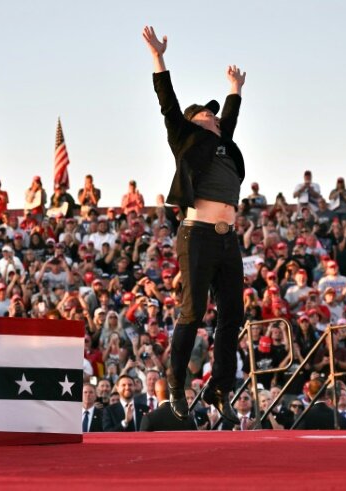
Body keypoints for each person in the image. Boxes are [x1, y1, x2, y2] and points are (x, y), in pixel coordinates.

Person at [143, 26, 245, 425]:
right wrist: (158, 57)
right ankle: (177, 383)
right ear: (195, 120)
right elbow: (167, 102)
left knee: (232, 314)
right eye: (209, 113)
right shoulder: (186, 138)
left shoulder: (224, 141)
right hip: (197, 233)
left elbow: (231, 116)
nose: (216, 117)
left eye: (218, 115)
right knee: (193, 309)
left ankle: (220, 386)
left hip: (227, 237)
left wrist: (235, 87)